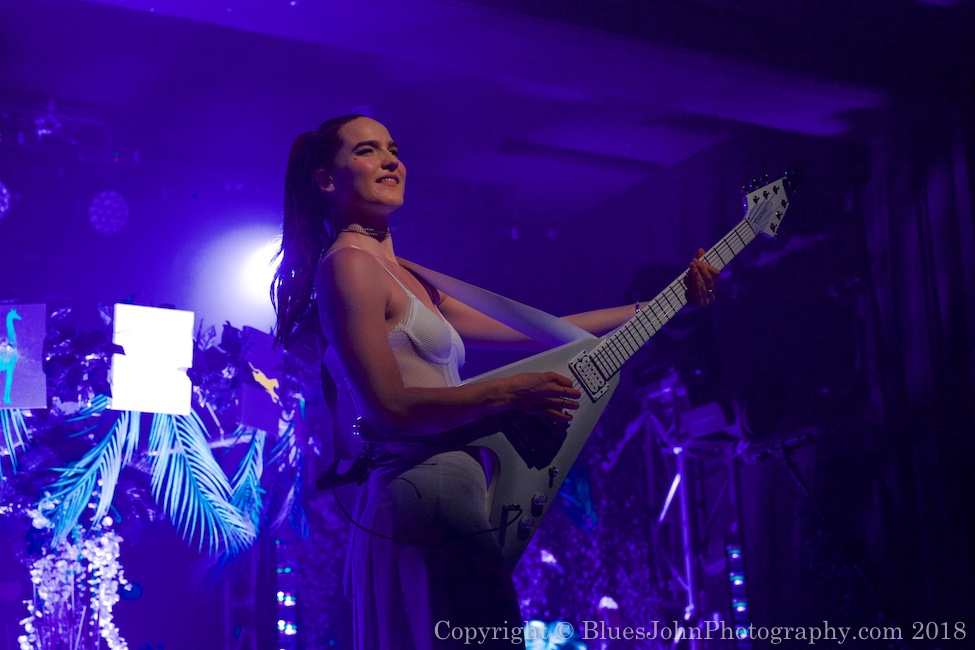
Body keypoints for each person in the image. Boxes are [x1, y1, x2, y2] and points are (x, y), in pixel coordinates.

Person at [271, 114, 719, 649]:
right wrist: (510, 392)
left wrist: (668, 303)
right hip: (422, 491)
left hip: (453, 494)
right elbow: (387, 408)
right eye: (367, 151)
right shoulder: (348, 266)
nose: (391, 160)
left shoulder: (409, 277)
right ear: (326, 179)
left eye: (393, 147)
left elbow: (551, 334)